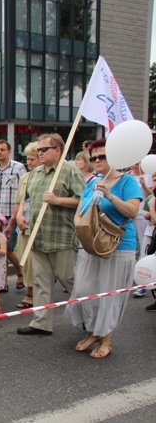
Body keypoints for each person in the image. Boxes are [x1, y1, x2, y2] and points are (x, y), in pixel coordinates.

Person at [64, 138, 141, 358]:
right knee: (85, 291)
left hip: (117, 245)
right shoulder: (91, 182)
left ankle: (105, 339)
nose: (97, 160)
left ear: (114, 157)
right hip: (91, 244)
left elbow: (133, 211)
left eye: (102, 156)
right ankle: (93, 332)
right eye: (93, 157)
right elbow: (81, 209)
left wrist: (109, 195)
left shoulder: (127, 181)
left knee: (109, 294)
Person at [16, 133, 84, 336]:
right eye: (38, 149)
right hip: (38, 237)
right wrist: (20, 215)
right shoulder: (35, 174)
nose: (40, 153)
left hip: (62, 237)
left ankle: (90, 317)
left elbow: (85, 200)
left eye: (44, 149)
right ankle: (41, 323)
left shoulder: (70, 171)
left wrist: (58, 200)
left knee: (69, 278)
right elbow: (26, 201)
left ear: (58, 150)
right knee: (40, 281)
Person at [0, 139, 27, 291]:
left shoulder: (18, 168)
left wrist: (18, 215)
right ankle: (3, 282)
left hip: (13, 214)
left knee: (8, 248)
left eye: (2, 150)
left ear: (9, 151)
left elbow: (24, 192)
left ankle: (21, 270)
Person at [14, 142, 40, 309]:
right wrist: (15, 219)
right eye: (28, 159)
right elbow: (19, 201)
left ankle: (33, 293)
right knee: (25, 260)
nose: (29, 162)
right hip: (23, 225)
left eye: (33, 159)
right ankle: (31, 290)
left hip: (39, 225)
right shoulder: (24, 178)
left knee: (35, 262)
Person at [127, 162, 154, 298]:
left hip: (144, 217)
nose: (135, 165)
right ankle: (132, 276)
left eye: (137, 163)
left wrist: (144, 185)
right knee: (132, 247)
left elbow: (151, 195)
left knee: (145, 249)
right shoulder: (127, 176)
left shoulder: (148, 175)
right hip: (130, 215)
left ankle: (142, 283)